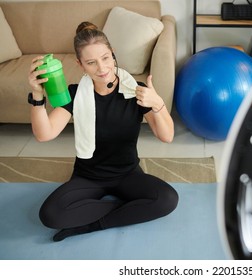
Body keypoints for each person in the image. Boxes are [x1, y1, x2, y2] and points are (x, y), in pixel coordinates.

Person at [27, 22, 178, 242]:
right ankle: (127, 207)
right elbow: (44, 134)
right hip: (89, 177)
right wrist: (36, 95)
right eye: (91, 62)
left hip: (128, 174)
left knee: (167, 199)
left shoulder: (134, 90)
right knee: (49, 214)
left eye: (105, 58)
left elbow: (167, 136)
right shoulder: (75, 93)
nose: (102, 68)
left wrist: (157, 103)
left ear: (113, 54)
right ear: (80, 65)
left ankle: (93, 225)